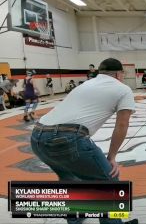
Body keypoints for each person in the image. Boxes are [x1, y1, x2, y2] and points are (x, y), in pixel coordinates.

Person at [31, 58, 136, 224]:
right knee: (109, 181)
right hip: (67, 138)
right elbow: (122, 124)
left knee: (69, 179)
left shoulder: (85, 84)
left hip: (37, 136)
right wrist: (112, 157)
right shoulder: (123, 89)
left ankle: (74, 220)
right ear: (118, 74)